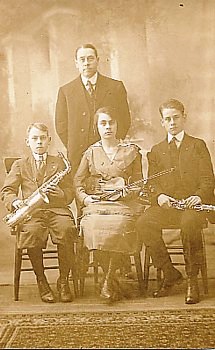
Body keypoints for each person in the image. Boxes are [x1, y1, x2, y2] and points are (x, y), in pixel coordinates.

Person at [135, 99, 215, 304]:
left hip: (192, 205)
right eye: (167, 119)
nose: (172, 123)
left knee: (189, 224)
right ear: (162, 122)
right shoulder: (157, 149)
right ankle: (169, 272)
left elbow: (208, 179)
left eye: (176, 118)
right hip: (168, 206)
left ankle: (192, 280)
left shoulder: (197, 145)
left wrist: (198, 196)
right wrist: (160, 196)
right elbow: (152, 183)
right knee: (144, 223)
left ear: (184, 117)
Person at [73, 106, 144, 303]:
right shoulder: (90, 153)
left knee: (120, 227)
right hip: (96, 205)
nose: (108, 127)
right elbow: (77, 182)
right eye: (103, 123)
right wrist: (86, 199)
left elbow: (139, 182)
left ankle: (107, 280)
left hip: (123, 206)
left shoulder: (131, 151)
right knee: (94, 226)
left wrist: (127, 191)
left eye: (111, 122)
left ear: (117, 124)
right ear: (97, 127)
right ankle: (112, 280)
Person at [1, 123, 77, 303]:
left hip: (57, 210)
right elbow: (7, 191)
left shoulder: (59, 163)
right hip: (31, 212)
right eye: (35, 138)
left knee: (67, 229)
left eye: (43, 138)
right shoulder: (20, 165)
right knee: (32, 232)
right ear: (28, 142)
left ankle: (63, 280)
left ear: (49, 141)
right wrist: (15, 201)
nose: (39, 142)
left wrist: (63, 194)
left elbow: (70, 191)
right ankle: (41, 281)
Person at [55, 43, 131, 173]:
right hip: (78, 155)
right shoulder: (66, 91)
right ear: (76, 63)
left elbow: (124, 120)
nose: (86, 63)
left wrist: (111, 145)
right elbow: (61, 126)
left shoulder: (115, 87)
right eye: (82, 60)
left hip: (110, 155)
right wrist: (75, 144)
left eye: (90, 58)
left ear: (97, 60)